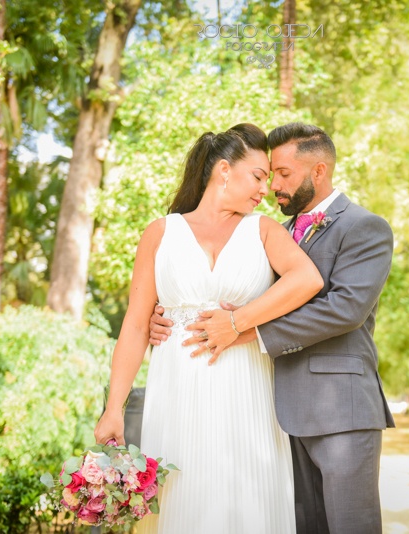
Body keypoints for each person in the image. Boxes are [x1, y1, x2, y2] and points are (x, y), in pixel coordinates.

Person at [151, 123, 396, 534]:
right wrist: (165, 314)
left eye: (282, 173)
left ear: (318, 171)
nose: (273, 186)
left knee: (351, 526)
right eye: (268, 174)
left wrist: (246, 329)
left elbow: (345, 309)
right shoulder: (270, 234)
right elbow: (240, 294)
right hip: (274, 411)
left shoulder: (365, 227)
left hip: (341, 409)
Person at [94, 123, 323, 533]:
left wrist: (239, 321)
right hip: (177, 393)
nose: (264, 190)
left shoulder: (263, 230)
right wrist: (114, 407)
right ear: (223, 170)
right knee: (183, 500)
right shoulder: (161, 233)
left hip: (247, 392)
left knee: (248, 503)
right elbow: (134, 324)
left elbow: (306, 280)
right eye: (257, 176)